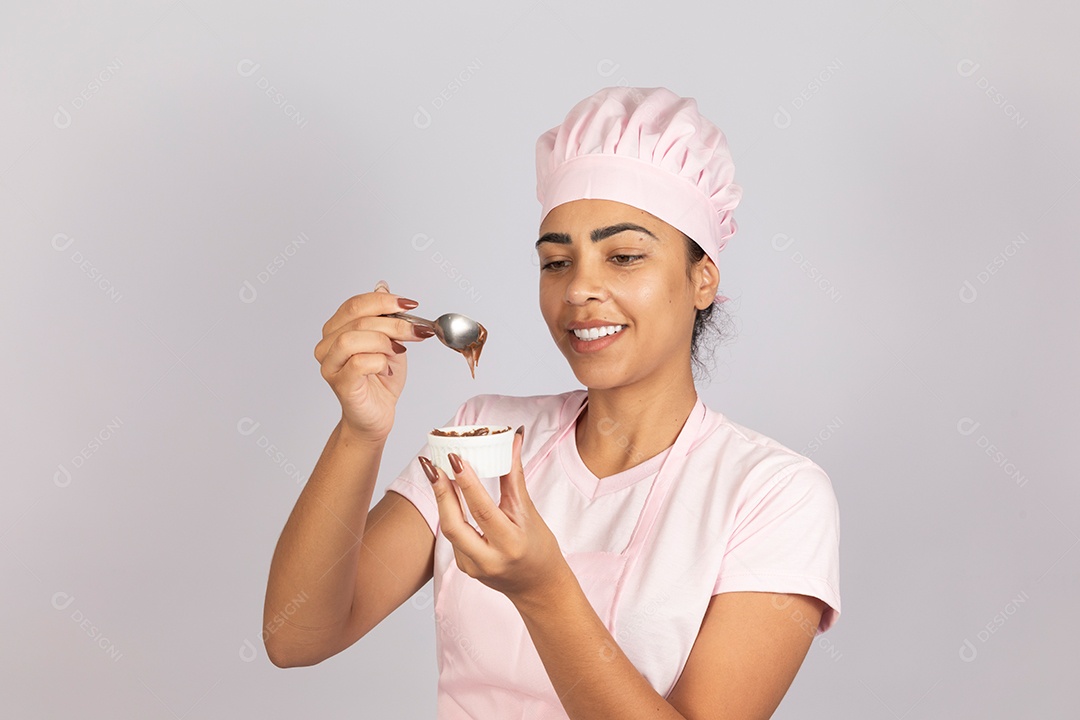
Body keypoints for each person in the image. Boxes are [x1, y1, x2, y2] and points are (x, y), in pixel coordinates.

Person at [264, 86, 842, 720]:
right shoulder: (482, 435)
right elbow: (297, 637)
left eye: (623, 257)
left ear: (702, 279)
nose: (581, 289)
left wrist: (544, 592)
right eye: (557, 262)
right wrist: (360, 431)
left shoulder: (773, 494)